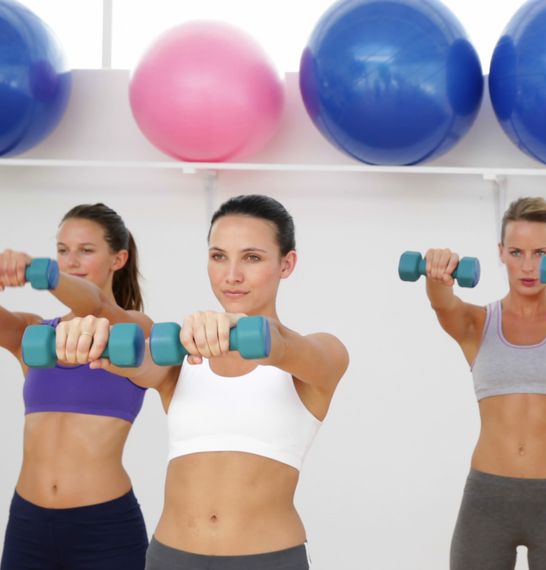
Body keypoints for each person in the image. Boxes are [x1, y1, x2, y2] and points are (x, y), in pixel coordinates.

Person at [55, 195, 349, 570]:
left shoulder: (322, 352)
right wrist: (91, 335)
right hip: (169, 557)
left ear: (286, 264)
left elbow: (283, 346)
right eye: (218, 256)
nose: (231, 276)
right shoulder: (180, 353)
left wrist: (238, 327)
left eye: (252, 257)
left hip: (268, 560)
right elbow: (130, 359)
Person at [419, 197, 546, 570]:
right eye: (517, 252)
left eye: (539, 253)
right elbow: (443, 302)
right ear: (500, 253)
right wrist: (436, 271)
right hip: (486, 500)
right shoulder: (477, 323)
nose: (527, 265)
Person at [0, 204, 151, 570]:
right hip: (27, 524)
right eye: (63, 251)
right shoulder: (33, 333)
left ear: (119, 258)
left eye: (86, 250)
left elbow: (97, 305)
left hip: (104, 528)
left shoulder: (132, 331)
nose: (71, 261)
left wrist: (46, 275)